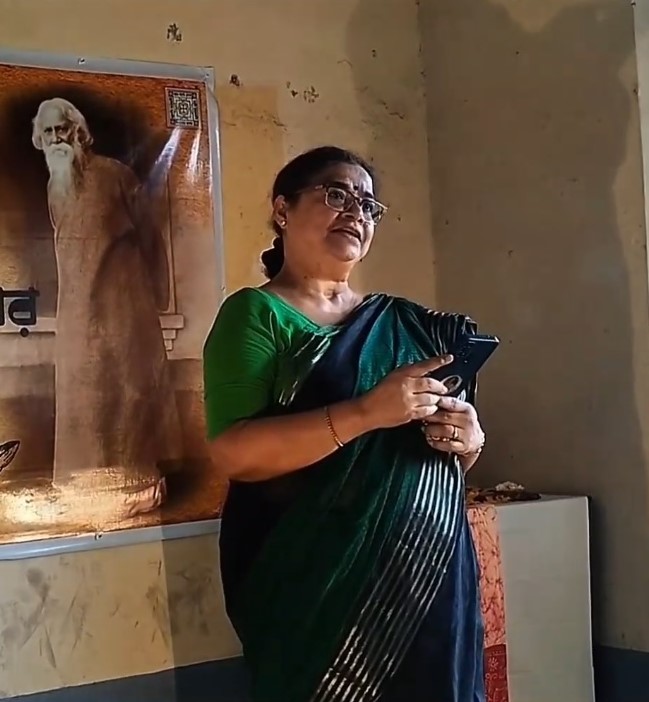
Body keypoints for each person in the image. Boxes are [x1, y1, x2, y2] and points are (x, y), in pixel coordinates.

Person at [203, 146, 487, 701]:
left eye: (368, 205)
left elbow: (431, 466)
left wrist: (467, 441)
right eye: (337, 194)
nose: (356, 212)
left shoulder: (407, 324)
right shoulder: (256, 315)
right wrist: (365, 413)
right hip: (315, 586)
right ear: (282, 210)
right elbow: (234, 452)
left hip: (425, 581)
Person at [32, 97, 181, 515]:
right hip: (77, 315)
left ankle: (134, 489)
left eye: (62, 129)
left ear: (78, 131)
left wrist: (158, 297)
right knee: (82, 399)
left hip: (124, 309)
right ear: (40, 140)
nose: (57, 138)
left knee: (128, 396)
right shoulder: (55, 187)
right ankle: (85, 493)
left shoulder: (116, 175)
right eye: (48, 132)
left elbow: (150, 237)